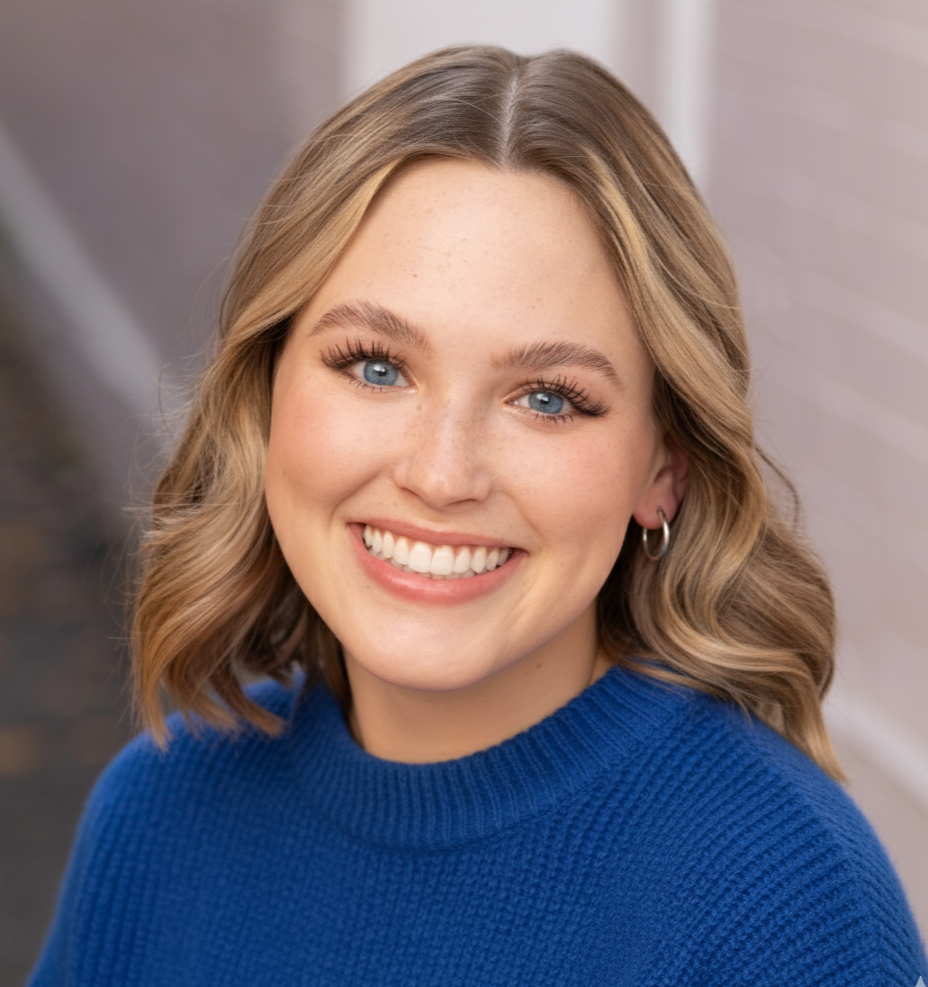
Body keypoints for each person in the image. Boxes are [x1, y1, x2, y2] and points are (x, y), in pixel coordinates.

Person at [30, 45, 926, 986]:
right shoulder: (158, 817)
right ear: (265, 398)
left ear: (666, 468)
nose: (441, 472)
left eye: (547, 397)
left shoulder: (782, 903)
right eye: (376, 366)